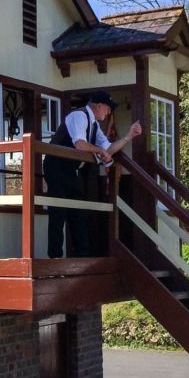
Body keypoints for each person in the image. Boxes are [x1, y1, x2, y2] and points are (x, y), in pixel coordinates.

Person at [43, 91, 142, 259]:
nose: (109, 112)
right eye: (108, 108)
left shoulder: (94, 125)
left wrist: (128, 136)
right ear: (99, 106)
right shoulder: (79, 116)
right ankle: (55, 258)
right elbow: (80, 144)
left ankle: (82, 258)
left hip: (70, 170)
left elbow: (108, 148)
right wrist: (100, 150)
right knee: (58, 212)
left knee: (79, 212)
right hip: (56, 165)